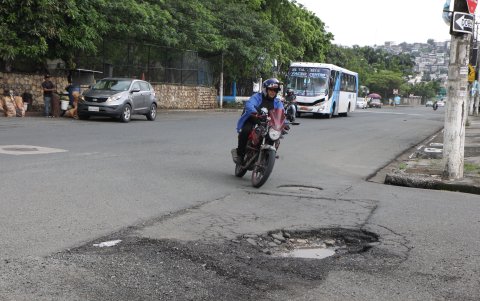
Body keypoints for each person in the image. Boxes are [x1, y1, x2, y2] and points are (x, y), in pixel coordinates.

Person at [232, 78, 284, 165]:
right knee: (245, 131)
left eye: (275, 90)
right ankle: (240, 155)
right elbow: (249, 104)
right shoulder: (257, 97)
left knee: (275, 136)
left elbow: (281, 113)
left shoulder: (278, 102)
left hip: (268, 124)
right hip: (253, 120)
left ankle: (267, 158)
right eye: (271, 89)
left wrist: (284, 123)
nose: (273, 92)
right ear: (265, 89)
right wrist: (255, 112)